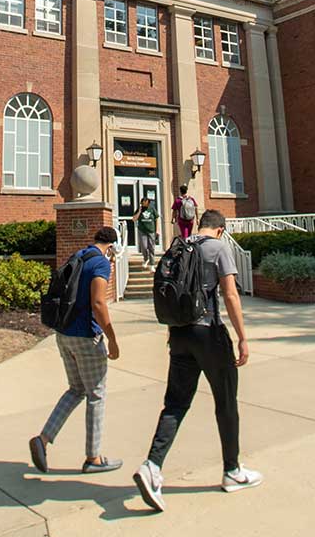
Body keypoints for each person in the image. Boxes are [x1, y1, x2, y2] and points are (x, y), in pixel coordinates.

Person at [134, 209, 260, 511]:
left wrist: (172, 331)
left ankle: (152, 466)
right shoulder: (218, 247)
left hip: (179, 334)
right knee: (226, 401)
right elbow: (230, 294)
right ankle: (232, 471)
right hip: (210, 334)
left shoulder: (180, 245)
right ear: (220, 229)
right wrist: (242, 337)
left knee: (175, 404)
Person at [29, 226, 121, 475]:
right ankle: (94, 457)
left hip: (63, 334)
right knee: (96, 394)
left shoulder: (79, 255)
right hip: (86, 338)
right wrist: (112, 338)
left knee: (76, 389)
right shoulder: (101, 264)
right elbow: (99, 303)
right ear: (111, 247)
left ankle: (43, 439)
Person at [134, 196, 159, 266]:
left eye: (145, 203)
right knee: (144, 247)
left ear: (148, 203)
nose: (144, 205)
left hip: (151, 230)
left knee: (151, 247)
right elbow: (134, 219)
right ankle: (146, 258)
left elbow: (157, 218)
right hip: (142, 231)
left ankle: (152, 264)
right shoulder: (140, 209)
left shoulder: (152, 209)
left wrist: (157, 230)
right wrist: (139, 211)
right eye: (143, 203)